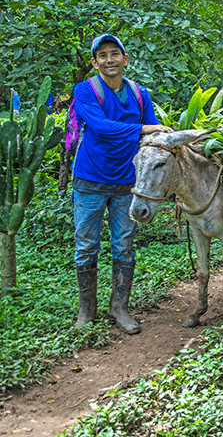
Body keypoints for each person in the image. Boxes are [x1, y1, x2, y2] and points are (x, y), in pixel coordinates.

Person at [72, 34, 172, 334]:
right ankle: (86, 311)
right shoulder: (85, 90)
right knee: (86, 245)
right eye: (102, 55)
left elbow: (153, 134)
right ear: (94, 63)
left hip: (128, 182)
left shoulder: (140, 94)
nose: (109, 60)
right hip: (90, 178)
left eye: (115, 54)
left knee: (124, 245)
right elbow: (100, 126)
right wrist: (143, 127)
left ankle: (120, 307)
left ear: (125, 59)